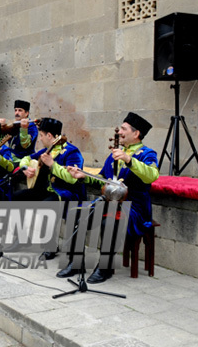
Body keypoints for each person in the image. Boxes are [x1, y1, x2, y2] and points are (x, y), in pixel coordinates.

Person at [66, 112, 159, 283]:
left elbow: (152, 175)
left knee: (108, 221)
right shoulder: (115, 153)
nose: (119, 132)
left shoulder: (147, 154)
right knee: (78, 214)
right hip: (110, 202)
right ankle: (76, 262)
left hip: (134, 207)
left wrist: (129, 160)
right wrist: (83, 175)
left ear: (136, 133)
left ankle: (105, 268)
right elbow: (101, 177)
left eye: (123, 128)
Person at [14, 117, 85, 261]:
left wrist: (52, 165)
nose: (39, 139)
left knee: (47, 205)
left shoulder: (72, 152)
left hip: (67, 193)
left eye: (41, 135)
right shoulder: (46, 151)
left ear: (50, 136)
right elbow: (26, 158)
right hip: (47, 189)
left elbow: (73, 178)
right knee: (17, 197)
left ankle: (51, 246)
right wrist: (26, 168)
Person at [0, 100, 38, 164]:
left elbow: (25, 145)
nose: (17, 113)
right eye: (15, 110)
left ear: (26, 113)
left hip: (23, 160)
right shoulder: (14, 124)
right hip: (11, 157)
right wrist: (0, 128)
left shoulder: (32, 127)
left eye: (20, 110)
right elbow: (0, 139)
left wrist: (24, 129)